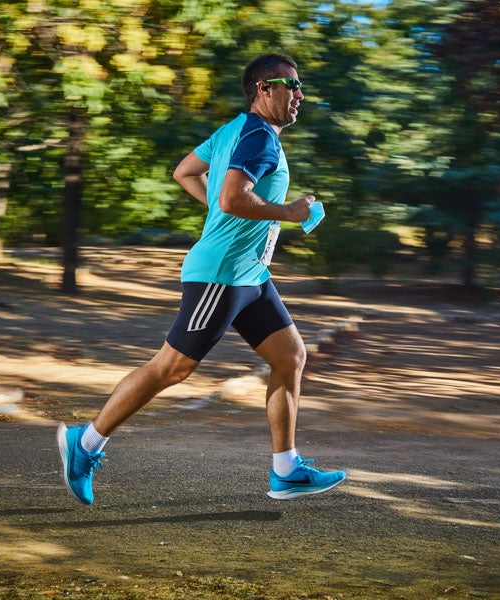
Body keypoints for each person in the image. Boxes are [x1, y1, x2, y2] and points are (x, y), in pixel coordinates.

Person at [57, 53, 346, 505]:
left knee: (290, 356)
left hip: (250, 273)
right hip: (221, 275)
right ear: (263, 89)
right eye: (290, 85)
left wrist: (228, 212)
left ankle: (286, 470)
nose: (300, 94)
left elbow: (185, 173)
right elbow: (231, 198)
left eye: (299, 86)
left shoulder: (235, 130)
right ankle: (86, 442)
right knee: (172, 368)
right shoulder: (258, 137)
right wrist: (288, 212)